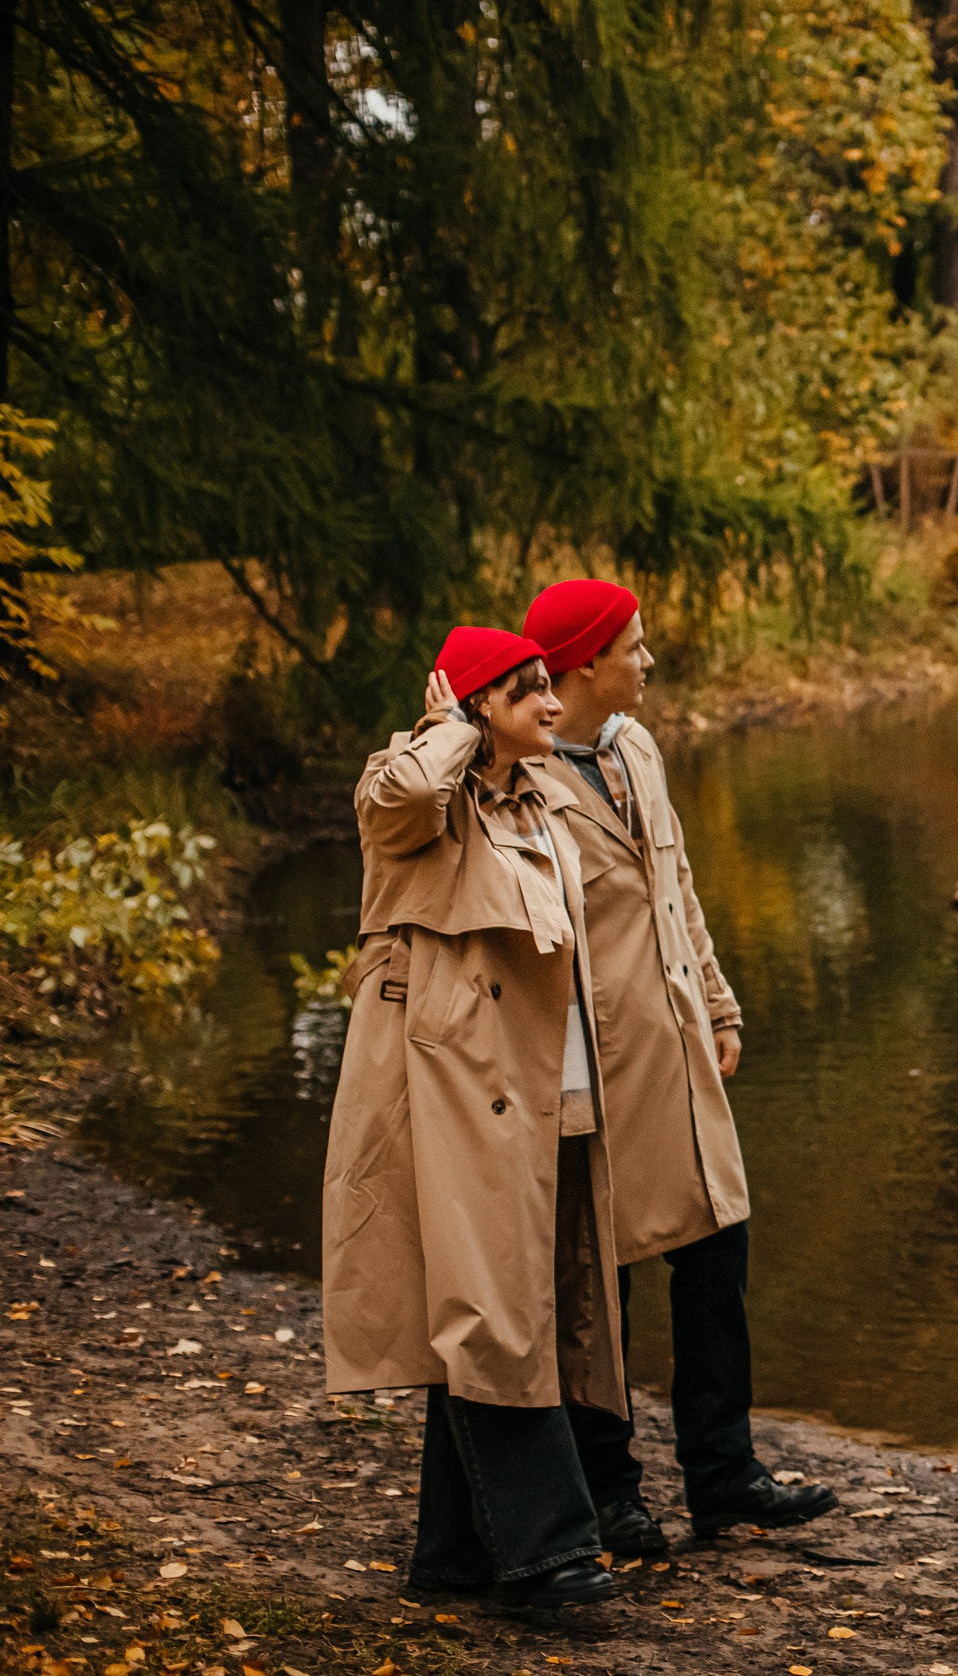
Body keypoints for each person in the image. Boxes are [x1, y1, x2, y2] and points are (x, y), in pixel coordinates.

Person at [521, 578, 838, 1549]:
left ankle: (724, 1473)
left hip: (679, 1045)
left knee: (716, 1255)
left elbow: (678, 884)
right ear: (582, 666)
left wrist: (719, 999)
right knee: (600, 1285)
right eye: (635, 646)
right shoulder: (521, 781)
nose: (649, 661)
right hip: (593, 1064)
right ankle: (612, 1490)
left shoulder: (640, 747)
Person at [320, 627, 623, 1609]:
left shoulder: (539, 802)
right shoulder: (416, 790)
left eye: (549, 685)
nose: (551, 702)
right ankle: (550, 1551)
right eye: (526, 690)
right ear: (480, 704)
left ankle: (451, 1560)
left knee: (494, 1301)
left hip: (536, 1093)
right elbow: (397, 800)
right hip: (447, 1092)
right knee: (489, 1309)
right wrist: (449, 727)